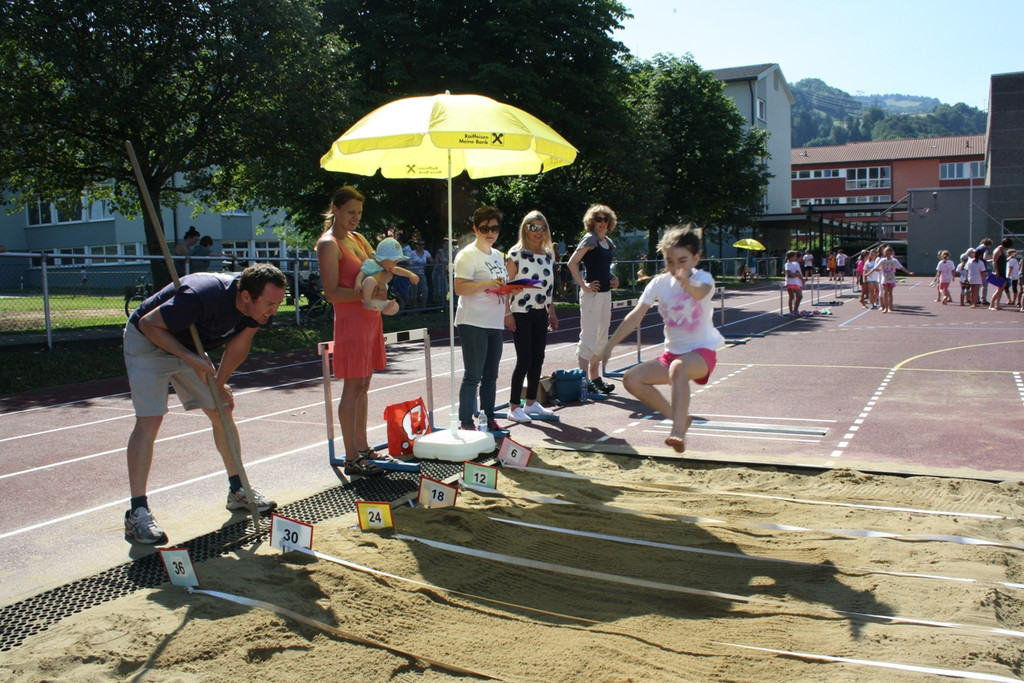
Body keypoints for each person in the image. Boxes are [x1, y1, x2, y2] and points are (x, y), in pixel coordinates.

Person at [122, 263, 287, 545]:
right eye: (270, 304)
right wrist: (190, 358)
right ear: (246, 296)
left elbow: (239, 344)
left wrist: (219, 384)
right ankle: (137, 512)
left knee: (222, 408)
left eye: (278, 304)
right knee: (150, 419)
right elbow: (149, 324)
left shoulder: (258, 307)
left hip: (190, 345)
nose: (274, 311)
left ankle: (238, 490)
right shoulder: (203, 295)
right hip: (149, 338)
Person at [596, 224, 724, 454]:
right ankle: (681, 420)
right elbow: (635, 316)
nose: (676, 268)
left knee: (678, 368)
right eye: (670, 261)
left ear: (696, 258)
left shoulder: (704, 278)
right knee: (631, 379)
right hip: (671, 355)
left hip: (702, 352)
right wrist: (609, 345)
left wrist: (686, 281)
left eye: (682, 261)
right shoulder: (660, 283)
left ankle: (676, 431)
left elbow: (700, 292)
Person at [316, 186, 402, 477]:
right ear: (336, 209)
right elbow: (331, 292)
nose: (355, 217)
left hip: (370, 318)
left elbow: (379, 269)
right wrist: (365, 294)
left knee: (364, 384)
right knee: (352, 388)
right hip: (352, 322)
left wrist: (384, 277)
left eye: (359, 212)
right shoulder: (329, 244)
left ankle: (364, 447)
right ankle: (351, 457)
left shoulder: (358, 238)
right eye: (350, 211)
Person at [454, 206, 518, 431]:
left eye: (494, 228)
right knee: (473, 375)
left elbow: (497, 285)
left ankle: (489, 418)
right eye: (485, 228)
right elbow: (459, 287)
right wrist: (488, 284)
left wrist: (510, 288)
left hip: (494, 321)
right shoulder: (467, 254)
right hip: (473, 321)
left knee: (491, 375)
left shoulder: (497, 255)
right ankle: (465, 423)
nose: (490, 232)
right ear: (475, 229)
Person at [504, 210, 559, 423]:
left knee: (539, 357)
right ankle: (513, 407)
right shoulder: (515, 254)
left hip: (540, 311)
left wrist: (552, 312)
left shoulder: (548, 254)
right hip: (521, 312)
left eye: (542, 227)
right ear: (525, 228)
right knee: (524, 359)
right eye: (533, 227)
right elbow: (506, 287)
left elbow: (549, 286)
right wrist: (507, 314)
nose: (538, 232)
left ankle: (531, 402)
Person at [567, 204, 619, 396]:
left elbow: (604, 267)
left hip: (606, 294)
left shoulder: (608, 242)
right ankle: (584, 381)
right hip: (592, 295)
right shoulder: (590, 239)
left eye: (605, 219)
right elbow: (572, 263)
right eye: (598, 219)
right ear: (592, 221)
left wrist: (612, 278)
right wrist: (583, 285)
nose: (602, 223)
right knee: (588, 336)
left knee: (602, 338)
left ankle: (595, 377)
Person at [353, 237, 419, 315]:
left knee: (395, 306)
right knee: (370, 280)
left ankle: (385, 310)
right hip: (368, 294)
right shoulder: (371, 263)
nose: (395, 264)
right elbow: (361, 273)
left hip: (379, 299)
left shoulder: (387, 267)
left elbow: (397, 270)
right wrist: (357, 283)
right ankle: (366, 302)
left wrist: (410, 274)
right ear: (384, 258)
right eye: (394, 261)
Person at [865, 246, 913, 313]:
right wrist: (868, 273)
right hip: (884, 279)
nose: (888, 255)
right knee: (884, 293)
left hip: (891, 279)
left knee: (890, 293)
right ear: (885, 253)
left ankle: (890, 307)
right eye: (886, 253)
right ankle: (885, 307)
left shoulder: (894, 261)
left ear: (891, 253)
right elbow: (875, 268)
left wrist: (909, 272)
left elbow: (901, 267)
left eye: (889, 253)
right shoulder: (882, 260)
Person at [406, 238, 433, 308]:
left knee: (425, 290)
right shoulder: (412, 253)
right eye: (419, 244)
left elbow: (432, 261)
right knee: (414, 290)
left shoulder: (426, 252)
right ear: (416, 245)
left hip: (422, 274)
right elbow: (407, 261)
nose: (421, 246)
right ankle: (415, 308)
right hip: (413, 274)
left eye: (423, 244)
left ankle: (423, 307)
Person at [988, 237, 1012, 310]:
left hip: (1002, 271)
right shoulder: (998, 250)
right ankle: (991, 305)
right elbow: (994, 261)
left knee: (1001, 289)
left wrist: (1009, 258)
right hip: (999, 271)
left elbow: (1002, 260)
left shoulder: (1002, 250)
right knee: (999, 289)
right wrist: (996, 271)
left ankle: (997, 304)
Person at [784, 250, 805, 315]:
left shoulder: (796, 263)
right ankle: (791, 311)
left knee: (800, 296)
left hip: (796, 282)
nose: (795, 258)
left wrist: (802, 280)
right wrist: (796, 274)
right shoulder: (787, 264)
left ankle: (796, 309)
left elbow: (798, 273)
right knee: (792, 297)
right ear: (790, 257)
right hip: (790, 282)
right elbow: (789, 275)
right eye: (794, 257)